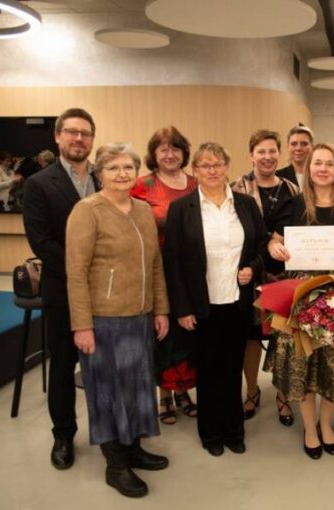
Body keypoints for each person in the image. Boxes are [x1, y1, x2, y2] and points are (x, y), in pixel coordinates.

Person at [66, 143, 169, 498]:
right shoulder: (87, 211)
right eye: (113, 168)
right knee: (108, 392)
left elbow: (155, 264)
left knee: (138, 387)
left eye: (128, 167)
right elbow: (76, 272)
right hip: (103, 320)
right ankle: (116, 464)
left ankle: (134, 447)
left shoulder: (142, 210)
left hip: (140, 316)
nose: (122, 174)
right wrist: (82, 325)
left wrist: (160, 309)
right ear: (100, 174)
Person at [267, 142, 334, 459]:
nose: (323, 169)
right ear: (308, 167)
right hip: (300, 293)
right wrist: (275, 248)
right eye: (317, 163)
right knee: (303, 363)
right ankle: (310, 429)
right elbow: (274, 241)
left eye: (329, 163)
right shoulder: (292, 205)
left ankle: (326, 424)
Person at [164, 142, 267, 457]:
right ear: (194, 170)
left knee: (232, 368)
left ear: (227, 167)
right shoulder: (181, 209)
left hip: (237, 303)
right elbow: (173, 262)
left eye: (218, 164)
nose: (212, 170)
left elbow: (261, 247)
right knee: (208, 372)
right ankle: (210, 433)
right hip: (201, 306)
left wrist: (252, 268)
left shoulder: (246, 204)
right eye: (205, 165)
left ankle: (234, 430)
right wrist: (182, 308)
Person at [23, 108, 99, 471]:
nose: (79, 139)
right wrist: (86, 268)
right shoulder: (39, 184)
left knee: (105, 367)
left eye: (85, 133)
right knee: (64, 366)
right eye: (72, 132)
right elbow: (42, 243)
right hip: (63, 291)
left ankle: (112, 433)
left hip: (107, 294)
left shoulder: (104, 177)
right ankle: (64, 435)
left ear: (93, 139)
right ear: (58, 136)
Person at [130, 126, 198, 426]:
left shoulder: (196, 183)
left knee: (187, 334)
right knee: (162, 333)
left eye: (175, 148)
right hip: (156, 271)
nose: (170, 154)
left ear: (184, 153)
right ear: (154, 154)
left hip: (191, 273)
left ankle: (184, 390)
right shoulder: (141, 185)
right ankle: (164, 395)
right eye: (163, 149)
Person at [232, 129, 299, 426]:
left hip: (286, 272)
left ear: (279, 154)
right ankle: (252, 390)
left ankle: (283, 395)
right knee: (250, 335)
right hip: (249, 271)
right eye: (261, 151)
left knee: (284, 336)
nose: (267, 157)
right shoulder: (237, 188)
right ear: (251, 155)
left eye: (272, 151)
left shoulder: (293, 189)